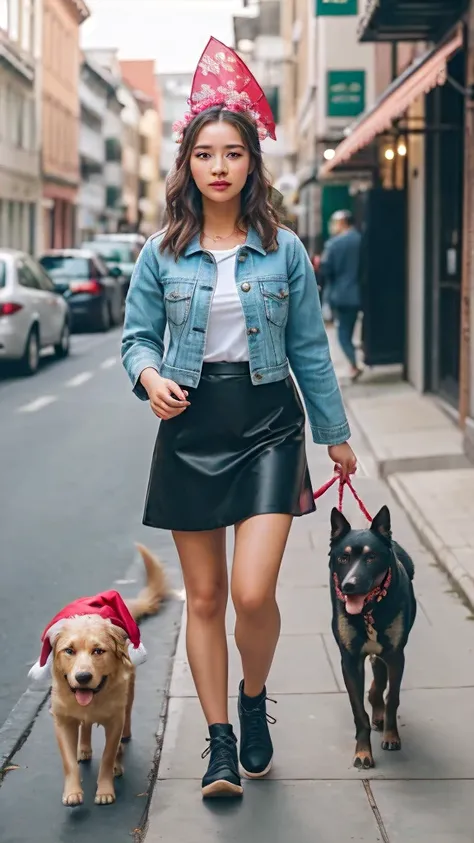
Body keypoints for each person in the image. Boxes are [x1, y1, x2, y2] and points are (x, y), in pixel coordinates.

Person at [121, 37, 356, 800]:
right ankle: (221, 741)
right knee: (209, 597)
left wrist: (335, 433)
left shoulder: (282, 249)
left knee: (253, 593)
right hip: (190, 425)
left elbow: (309, 349)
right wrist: (149, 375)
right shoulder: (162, 251)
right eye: (204, 154)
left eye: (232, 153)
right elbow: (136, 340)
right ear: (186, 164)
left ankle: (254, 696)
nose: (218, 166)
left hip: (267, 424)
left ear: (251, 162)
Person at [320, 210, 363, 381]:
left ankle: (354, 364)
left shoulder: (334, 244)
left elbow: (326, 269)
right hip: (358, 293)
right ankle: (355, 361)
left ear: (343, 222)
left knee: (343, 334)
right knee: (350, 329)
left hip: (340, 295)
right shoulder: (360, 240)